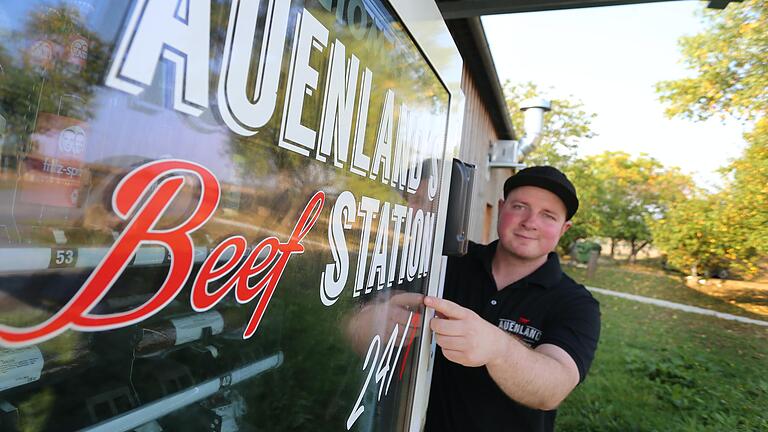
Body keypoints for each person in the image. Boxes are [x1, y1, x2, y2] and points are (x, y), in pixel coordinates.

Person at [423, 165, 601, 432]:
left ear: (564, 229)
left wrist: (497, 347)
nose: (530, 222)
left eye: (548, 215)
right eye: (520, 207)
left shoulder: (576, 303)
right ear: (501, 208)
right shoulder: (449, 261)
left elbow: (552, 389)